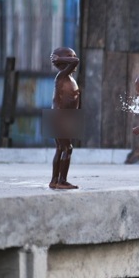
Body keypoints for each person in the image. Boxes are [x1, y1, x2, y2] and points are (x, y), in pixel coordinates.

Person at [49, 47, 80, 189]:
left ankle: (55, 180)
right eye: (69, 56)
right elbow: (76, 61)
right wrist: (61, 60)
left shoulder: (68, 78)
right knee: (67, 148)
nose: (74, 58)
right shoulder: (62, 76)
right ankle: (61, 180)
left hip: (63, 118)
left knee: (61, 148)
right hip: (60, 117)